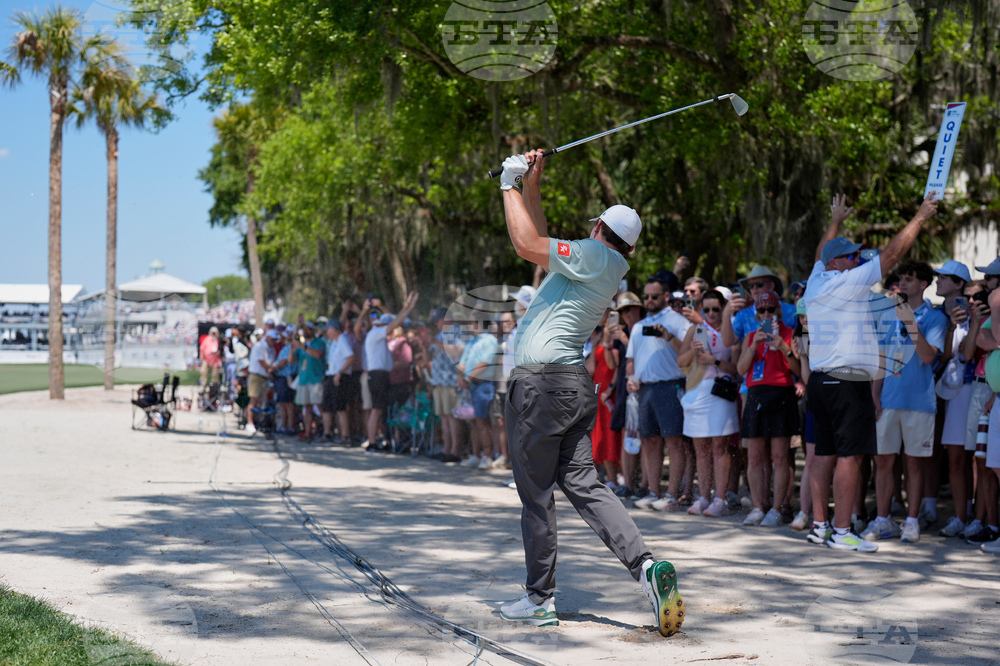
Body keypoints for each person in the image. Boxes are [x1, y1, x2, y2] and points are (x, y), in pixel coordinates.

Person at [497, 150, 683, 637]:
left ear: (598, 227)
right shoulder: (602, 263)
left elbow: (526, 244)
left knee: (536, 495)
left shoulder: (594, 254)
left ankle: (539, 599)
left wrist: (507, 185)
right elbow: (541, 243)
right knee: (586, 485)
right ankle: (645, 567)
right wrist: (532, 185)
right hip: (570, 385)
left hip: (541, 386)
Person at [803, 192, 939, 552]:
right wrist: (920, 217)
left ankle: (820, 526)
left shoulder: (817, 279)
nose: (858, 259)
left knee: (824, 454)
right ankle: (842, 531)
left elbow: (820, 254)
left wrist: (835, 222)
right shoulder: (847, 281)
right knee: (851, 456)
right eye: (852, 256)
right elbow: (891, 255)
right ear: (838, 263)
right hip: (847, 381)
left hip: (820, 379)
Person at [861, 261, 948, 544]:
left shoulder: (935, 318)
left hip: (919, 401)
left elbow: (928, 356)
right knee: (883, 461)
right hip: (888, 399)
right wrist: (874, 394)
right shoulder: (888, 315)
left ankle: (911, 522)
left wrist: (910, 322)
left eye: (909, 279)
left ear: (923, 284)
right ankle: (883, 520)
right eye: (901, 278)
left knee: (914, 464)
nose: (902, 283)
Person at [626, 270, 693, 511]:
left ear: (666, 296)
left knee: (674, 441)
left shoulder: (678, 321)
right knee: (649, 441)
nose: (649, 300)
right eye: (647, 296)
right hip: (645, 390)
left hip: (671, 385)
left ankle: (672, 494)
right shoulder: (638, 326)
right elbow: (631, 360)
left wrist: (669, 337)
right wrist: (630, 378)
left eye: (654, 297)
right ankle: (654, 492)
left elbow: (689, 353)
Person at [736, 291, 801, 526]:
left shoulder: (789, 333)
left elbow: (798, 370)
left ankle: (776, 508)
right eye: (761, 310)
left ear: (778, 311)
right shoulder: (751, 335)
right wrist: (753, 345)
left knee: (780, 456)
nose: (766, 314)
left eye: (770, 310)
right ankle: (758, 506)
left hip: (782, 393)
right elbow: (741, 369)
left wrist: (784, 347)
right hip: (756, 394)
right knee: (754, 455)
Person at [676, 289, 739, 517]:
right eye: (707, 309)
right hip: (696, 391)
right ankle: (703, 497)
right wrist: (693, 352)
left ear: (723, 309)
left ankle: (720, 499)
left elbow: (736, 368)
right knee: (700, 448)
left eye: (716, 309)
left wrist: (715, 361)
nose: (711, 314)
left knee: (719, 447)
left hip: (721, 391)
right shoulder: (695, 329)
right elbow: (681, 362)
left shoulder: (731, 329)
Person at [357, 294, 419, 449]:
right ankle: (372, 443)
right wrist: (408, 307)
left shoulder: (377, 335)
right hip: (378, 375)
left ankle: (382, 441)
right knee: (376, 410)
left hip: (380, 375)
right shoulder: (377, 332)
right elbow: (395, 322)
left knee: (380, 410)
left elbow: (394, 321)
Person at [606, 291, 646, 499]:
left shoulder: (645, 328)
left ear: (638, 308)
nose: (625, 314)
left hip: (645, 385)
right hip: (624, 387)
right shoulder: (620, 333)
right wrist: (608, 341)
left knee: (647, 437)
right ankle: (628, 483)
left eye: (628, 309)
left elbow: (644, 355)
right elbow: (613, 364)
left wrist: (625, 339)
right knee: (626, 434)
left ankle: (646, 484)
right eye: (621, 311)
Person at [457, 314, 502, 469]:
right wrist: (460, 378)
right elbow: (462, 363)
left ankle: (487, 456)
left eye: (471, 322)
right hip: (470, 385)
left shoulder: (490, 341)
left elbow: (484, 363)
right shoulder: (471, 342)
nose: (469, 324)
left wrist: (467, 379)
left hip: (483, 384)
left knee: (482, 421)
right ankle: (476, 455)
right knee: (473, 421)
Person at [321, 318, 355, 445]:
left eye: (329, 330)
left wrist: (340, 373)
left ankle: (345, 435)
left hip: (340, 376)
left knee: (340, 407)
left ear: (335, 330)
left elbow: (350, 357)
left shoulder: (342, 339)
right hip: (330, 374)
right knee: (327, 406)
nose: (327, 332)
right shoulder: (332, 342)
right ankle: (327, 433)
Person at [293, 322, 326, 442]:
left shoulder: (319, 342)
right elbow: (291, 360)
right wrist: (293, 348)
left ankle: (323, 430)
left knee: (319, 405)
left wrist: (304, 347)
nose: (307, 331)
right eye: (305, 329)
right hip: (303, 379)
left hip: (316, 379)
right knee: (306, 407)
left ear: (313, 330)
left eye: (309, 329)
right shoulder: (301, 345)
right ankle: (307, 432)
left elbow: (317, 354)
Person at [245, 329, 277, 434]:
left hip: (265, 377)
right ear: (267, 337)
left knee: (262, 402)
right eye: (272, 339)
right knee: (253, 400)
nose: (273, 341)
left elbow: (272, 362)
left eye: (275, 339)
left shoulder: (272, 349)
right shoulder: (259, 346)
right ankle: (249, 423)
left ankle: (260, 423)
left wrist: (271, 370)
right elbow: (262, 361)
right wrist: (270, 371)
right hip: (256, 376)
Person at [272, 328, 298, 434]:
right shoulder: (286, 347)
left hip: (286, 377)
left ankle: (290, 427)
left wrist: (274, 369)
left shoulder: (291, 347)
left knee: (288, 404)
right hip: (283, 378)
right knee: (283, 403)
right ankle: (283, 426)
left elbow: (284, 361)